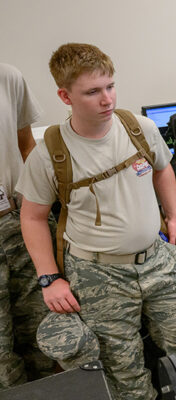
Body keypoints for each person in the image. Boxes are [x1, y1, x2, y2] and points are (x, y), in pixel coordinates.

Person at [18, 43, 176, 399]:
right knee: (123, 373)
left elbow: (162, 169)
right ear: (65, 95)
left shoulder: (136, 127)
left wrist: (173, 216)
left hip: (155, 259)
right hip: (98, 275)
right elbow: (32, 217)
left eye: (110, 86)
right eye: (92, 92)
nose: (106, 99)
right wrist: (50, 279)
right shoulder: (50, 152)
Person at [0, 63, 54, 388]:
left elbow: (26, 145)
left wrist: (33, 203)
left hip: (18, 223)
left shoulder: (8, 77)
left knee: (43, 335)